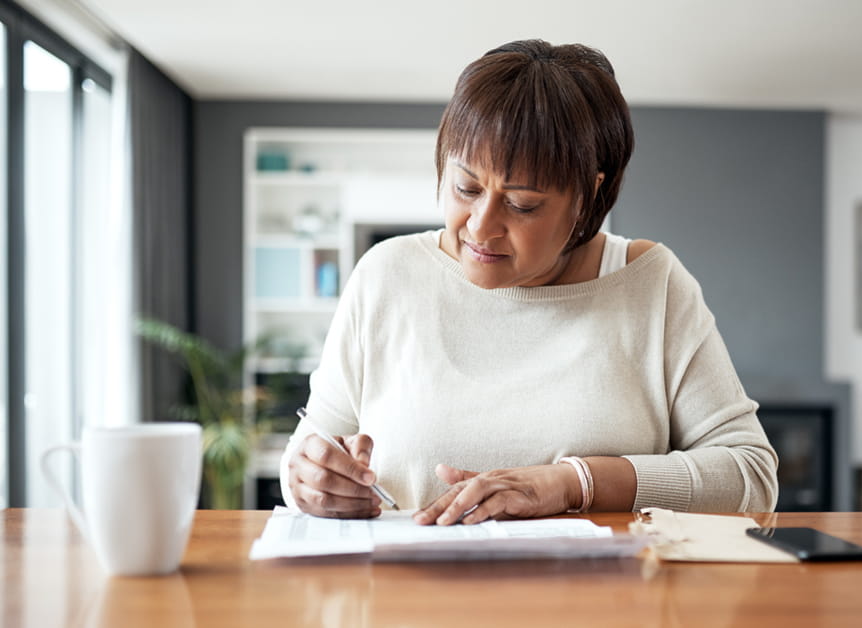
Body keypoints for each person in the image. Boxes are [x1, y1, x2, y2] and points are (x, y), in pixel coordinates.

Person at [280, 39, 778, 524]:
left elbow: (750, 476)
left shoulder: (651, 285)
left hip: (604, 606)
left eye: (521, 204)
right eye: (465, 187)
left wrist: (574, 484)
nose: (480, 225)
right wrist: (310, 479)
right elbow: (306, 456)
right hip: (407, 603)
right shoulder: (386, 275)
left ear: (587, 193)